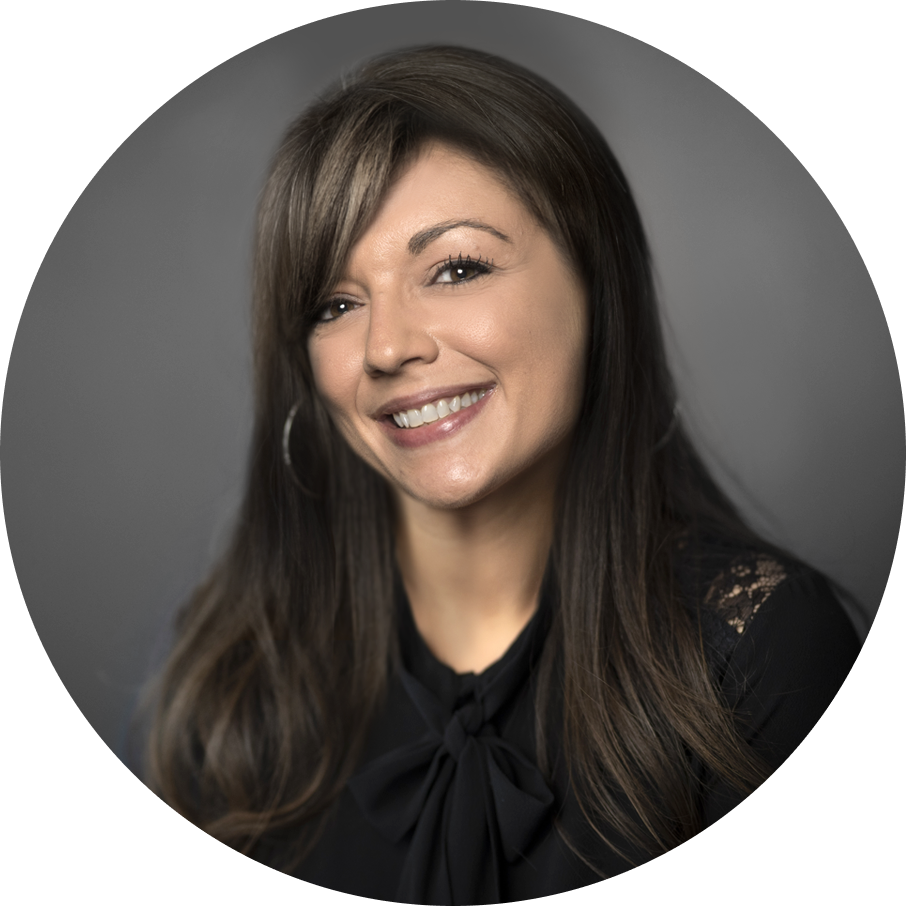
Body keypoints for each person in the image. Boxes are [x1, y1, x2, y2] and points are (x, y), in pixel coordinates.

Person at [146, 45, 887, 905]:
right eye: (336, 305)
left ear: (597, 283)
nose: (387, 347)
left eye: (456, 269)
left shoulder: (758, 649)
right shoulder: (234, 669)